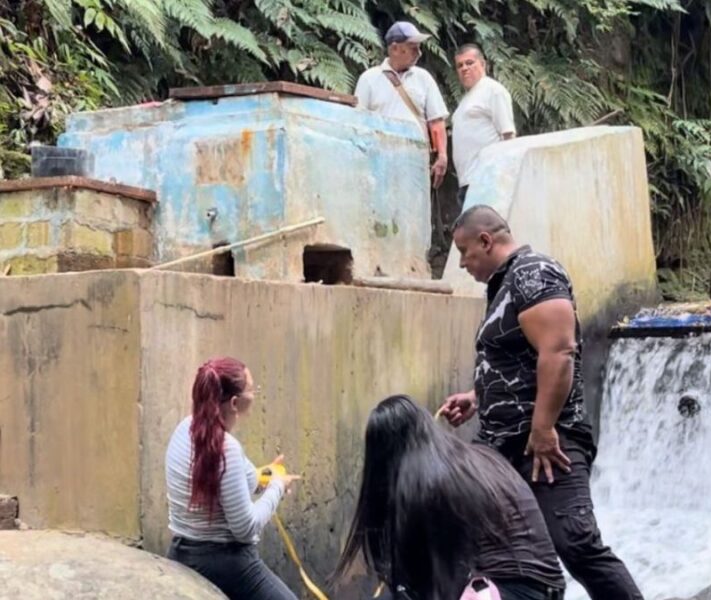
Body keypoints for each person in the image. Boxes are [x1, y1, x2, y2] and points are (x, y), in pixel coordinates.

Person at [440, 206, 643, 600]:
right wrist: (477, 396)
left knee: (576, 544)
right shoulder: (503, 284)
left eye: (464, 252)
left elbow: (560, 351)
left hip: (547, 443)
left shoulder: (533, 273)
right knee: (471, 538)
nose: (462, 263)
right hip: (502, 444)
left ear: (486, 241)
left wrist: (544, 427)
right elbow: (519, 360)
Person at [333, 394, 566, 600]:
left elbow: (441, 580)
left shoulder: (427, 483)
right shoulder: (472, 458)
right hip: (548, 588)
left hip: (513, 589)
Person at [165, 357, 301, 600]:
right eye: (253, 390)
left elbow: (238, 478)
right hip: (225, 561)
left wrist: (266, 475)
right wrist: (277, 487)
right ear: (235, 403)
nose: (255, 394)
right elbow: (245, 528)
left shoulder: (184, 429)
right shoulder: (227, 449)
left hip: (181, 551)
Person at [354, 21, 449, 188]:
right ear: (395, 48)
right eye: (413, 47)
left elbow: (436, 121)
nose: (419, 53)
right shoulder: (369, 79)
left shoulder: (423, 78)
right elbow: (358, 123)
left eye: (419, 47)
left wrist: (442, 155)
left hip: (416, 159)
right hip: (380, 159)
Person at [451, 44, 516, 204]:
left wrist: (506, 177)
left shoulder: (493, 91)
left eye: (469, 63)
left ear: (483, 64)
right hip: (468, 181)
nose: (464, 68)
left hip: (488, 179)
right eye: (460, 65)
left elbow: (508, 135)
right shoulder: (467, 99)